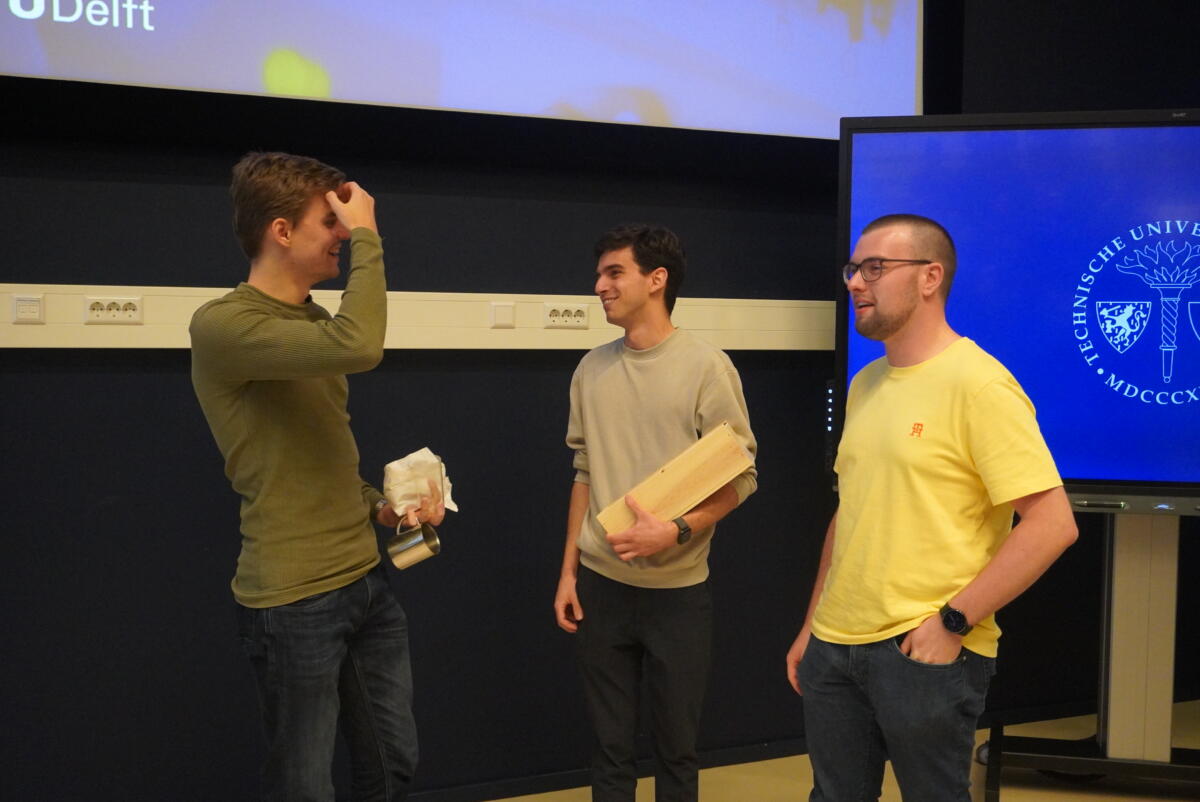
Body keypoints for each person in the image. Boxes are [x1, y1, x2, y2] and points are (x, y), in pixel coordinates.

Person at [785, 214, 1079, 801]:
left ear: (930, 277)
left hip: (922, 652)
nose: (855, 282)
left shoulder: (980, 385)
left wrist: (952, 622)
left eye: (875, 268)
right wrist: (813, 625)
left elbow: (1053, 525)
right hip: (835, 647)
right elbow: (853, 512)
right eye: (853, 269)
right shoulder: (866, 383)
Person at [190, 151, 442, 802]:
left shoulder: (315, 322)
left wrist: (383, 507)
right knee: (304, 786)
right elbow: (362, 346)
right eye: (327, 221)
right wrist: (368, 235)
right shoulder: (224, 325)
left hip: (366, 582)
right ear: (280, 230)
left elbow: (323, 456)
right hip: (294, 600)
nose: (341, 234)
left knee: (392, 764)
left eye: (344, 223)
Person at [554, 223, 758, 801]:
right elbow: (583, 474)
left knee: (676, 752)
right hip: (601, 589)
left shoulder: (707, 368)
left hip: (678, 595)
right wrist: (568, 572)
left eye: (614, 272)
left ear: (657, 279)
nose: (599, 285)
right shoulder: (590, 369)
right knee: (609, 751)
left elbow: (742, 477)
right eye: (600, 274)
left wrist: (676, 530)